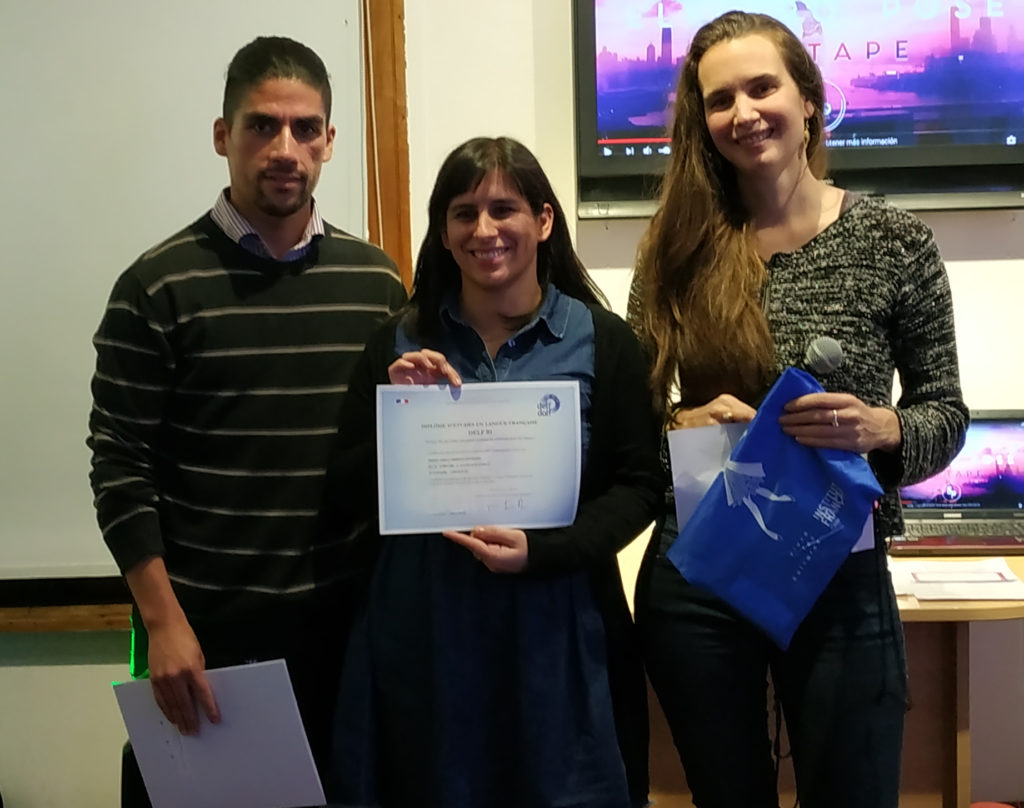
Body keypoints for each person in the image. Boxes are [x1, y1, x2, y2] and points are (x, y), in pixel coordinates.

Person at [628, 11, 968, 808]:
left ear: (808, 98)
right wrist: (674, 424)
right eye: (720, 100)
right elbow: (627, 421)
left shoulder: (895, 241)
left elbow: (945, 412)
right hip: (701, 572)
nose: (743, 113)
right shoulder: (675, 247)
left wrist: (884, 427)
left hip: (836, 564)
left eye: (762, 88)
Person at [87, 36, 407, 806]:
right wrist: (162, 624)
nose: (285, 149)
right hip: (206, 639)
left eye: (305, 128)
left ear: (329, 141)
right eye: (262, 125)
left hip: (344, 633)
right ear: (222, 136)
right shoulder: (155, 287)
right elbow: (119, 468)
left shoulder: (378, 283)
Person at [323, 136, 663, 808]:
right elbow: (346, 491)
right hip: (425, 630)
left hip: (558, 630)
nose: (484, 230)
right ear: (443, 231)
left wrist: (544, 551)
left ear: (544, 220)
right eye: (463, 213)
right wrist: (397, 416)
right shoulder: (397, 343)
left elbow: (640, 486)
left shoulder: (603, 341)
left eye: (503, 209)